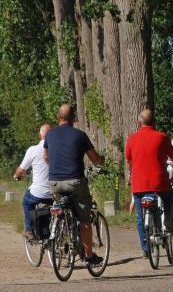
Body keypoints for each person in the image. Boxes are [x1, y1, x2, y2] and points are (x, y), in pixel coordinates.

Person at [44, 104, 104, 264]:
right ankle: (89, 256)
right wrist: (102, 161)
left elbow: (46, 157)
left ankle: (60, 234)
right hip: (75, 182)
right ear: (74, 118)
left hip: (54, 182)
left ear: (58, 118)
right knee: (84, 218)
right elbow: (94, 159)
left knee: (60, 208)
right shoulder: (80, 135)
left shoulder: (49, 135)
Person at [125, 109, 173, 258]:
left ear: (139, 122)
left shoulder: (132, 139)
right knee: (169, 198)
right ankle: (169, 222)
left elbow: (129, 160)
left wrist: (133, 173)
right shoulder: (162, 137)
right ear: (154, 122)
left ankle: (145, 249)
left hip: (138, 184)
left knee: (140, 216)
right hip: (159, 182)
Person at [14, 124, 53, 239]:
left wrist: (17, 176)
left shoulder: (33, 150)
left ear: (39, 135)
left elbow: (21, 170)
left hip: (38, 192)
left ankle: (29, 230)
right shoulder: (58, 149)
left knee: (26, 201)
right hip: (55, 192)